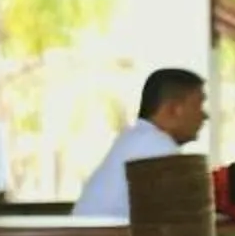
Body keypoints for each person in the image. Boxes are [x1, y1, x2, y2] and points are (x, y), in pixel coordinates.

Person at [74, 69, 209, 219]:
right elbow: (186, 218)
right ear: (173, 109)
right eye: (199, 105)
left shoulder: (138, 138)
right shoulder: (156, 146)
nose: (205, 116)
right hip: (101, 235)